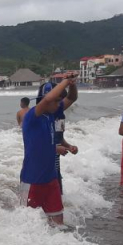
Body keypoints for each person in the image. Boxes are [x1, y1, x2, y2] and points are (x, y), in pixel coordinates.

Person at [20, 75, 74, 225]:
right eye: (56, 101)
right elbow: (49, 98)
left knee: (58, 224)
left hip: (51, 180)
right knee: (26, 224)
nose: (59, 104)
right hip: (31, 180)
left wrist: (73, 85)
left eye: (59, 101)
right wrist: (65, 81)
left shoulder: (52, 115)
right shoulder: (32, 116)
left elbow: (72, 99)